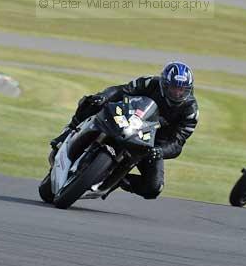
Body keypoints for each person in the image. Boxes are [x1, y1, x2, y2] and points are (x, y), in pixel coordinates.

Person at [50, 61, 198, 200]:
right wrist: (104, 97)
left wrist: (160, 151)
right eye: (173, 88)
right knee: (93, 101)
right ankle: (67, 132)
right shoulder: (150, 83)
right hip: (128, 119)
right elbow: (122, 90)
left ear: (189, 90)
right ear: (164, 85)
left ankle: (116, 179)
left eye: (182, 90)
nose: (177, 93)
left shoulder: (190, 112)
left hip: (151, 143)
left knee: (154, 188)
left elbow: (177, 143)